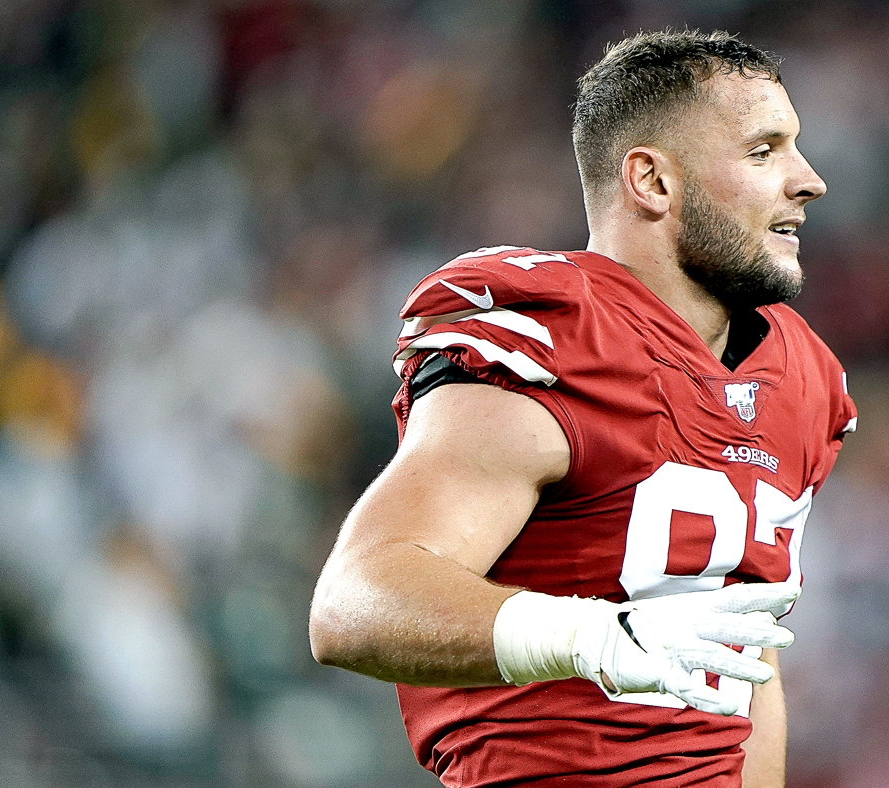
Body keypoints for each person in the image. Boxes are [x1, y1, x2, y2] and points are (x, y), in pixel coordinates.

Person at [309, 29, 856, 787]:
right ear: (652, 182)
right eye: (763, 152)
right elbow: (353, 603)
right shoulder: (559, 335)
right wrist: (585, 634)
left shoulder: (798, 377)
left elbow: (749, 661)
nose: (808, 180)